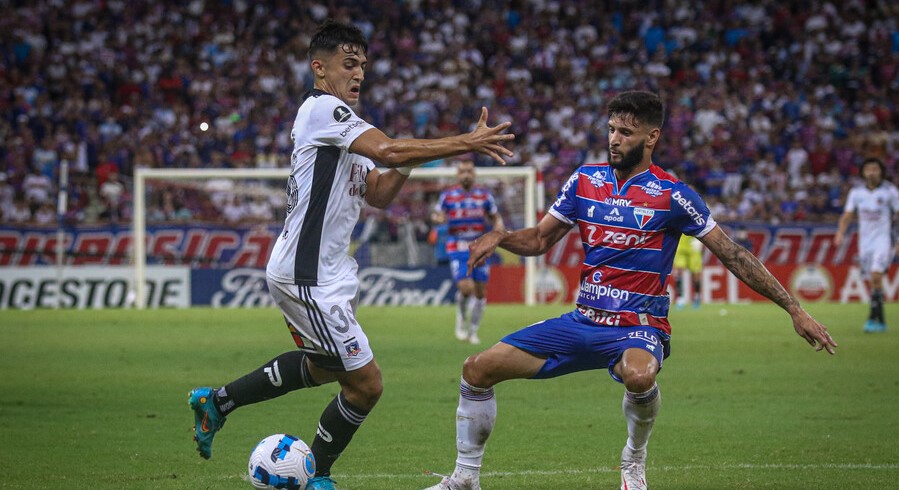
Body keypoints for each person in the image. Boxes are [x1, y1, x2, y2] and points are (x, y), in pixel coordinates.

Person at [424, 91, 837, 490]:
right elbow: (538, 240)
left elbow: (733, 254)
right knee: (477, 369)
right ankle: (464, 478)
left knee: (639, 376)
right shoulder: (585, 181)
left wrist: (794, 308)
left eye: (625, 132)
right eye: (611, 130)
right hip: (582, 320)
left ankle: (634, 460)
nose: (614, 140)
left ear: (651, 137)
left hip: (638, 327)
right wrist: (500, 236)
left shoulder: (673, 195)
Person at [187, 19, 515, 490]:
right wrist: (465, 142)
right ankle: (318, 474)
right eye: (348, 63)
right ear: (319, 68)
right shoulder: (322, 109)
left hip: (330, 273)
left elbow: (378, 191)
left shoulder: (347, 129)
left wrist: (412, 158)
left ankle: (217, 402)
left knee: (324, 367)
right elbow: (389, 150)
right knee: (366, 384)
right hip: (307, 275)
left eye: (362, 64)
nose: (358, 72)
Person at [432, 158, 505, 344]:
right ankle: (461, 319)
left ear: (474, 174)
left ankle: (473, 331)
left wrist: (498, 227)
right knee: (466, 287)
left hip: (479, 246)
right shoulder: (448, 195)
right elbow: (437, 214)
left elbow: (495, 217)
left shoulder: (484, 195)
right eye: (463, 171)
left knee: (480, 291)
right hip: (457, 246)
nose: (466, 175)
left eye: (469, 171)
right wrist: (438, 219)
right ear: (458, 175)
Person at [834, 157, 899, 333]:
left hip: (884, 240)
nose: (871, 172)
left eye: (875, 169)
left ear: (881, 172)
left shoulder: (890, 191)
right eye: (868, 169)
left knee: (876, 275)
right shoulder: (856, 193)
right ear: (863, 172)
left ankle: (871, 318)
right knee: (873, 281)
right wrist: (840, 233)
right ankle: (880, 321)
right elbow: (847, 215)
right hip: (865, 242)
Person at [672, 234, 703, 309]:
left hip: (693, 243)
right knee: (678, 272)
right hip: (680, 243)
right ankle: (680, 299)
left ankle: (697, 297)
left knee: (696, 273)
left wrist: (701, 241)